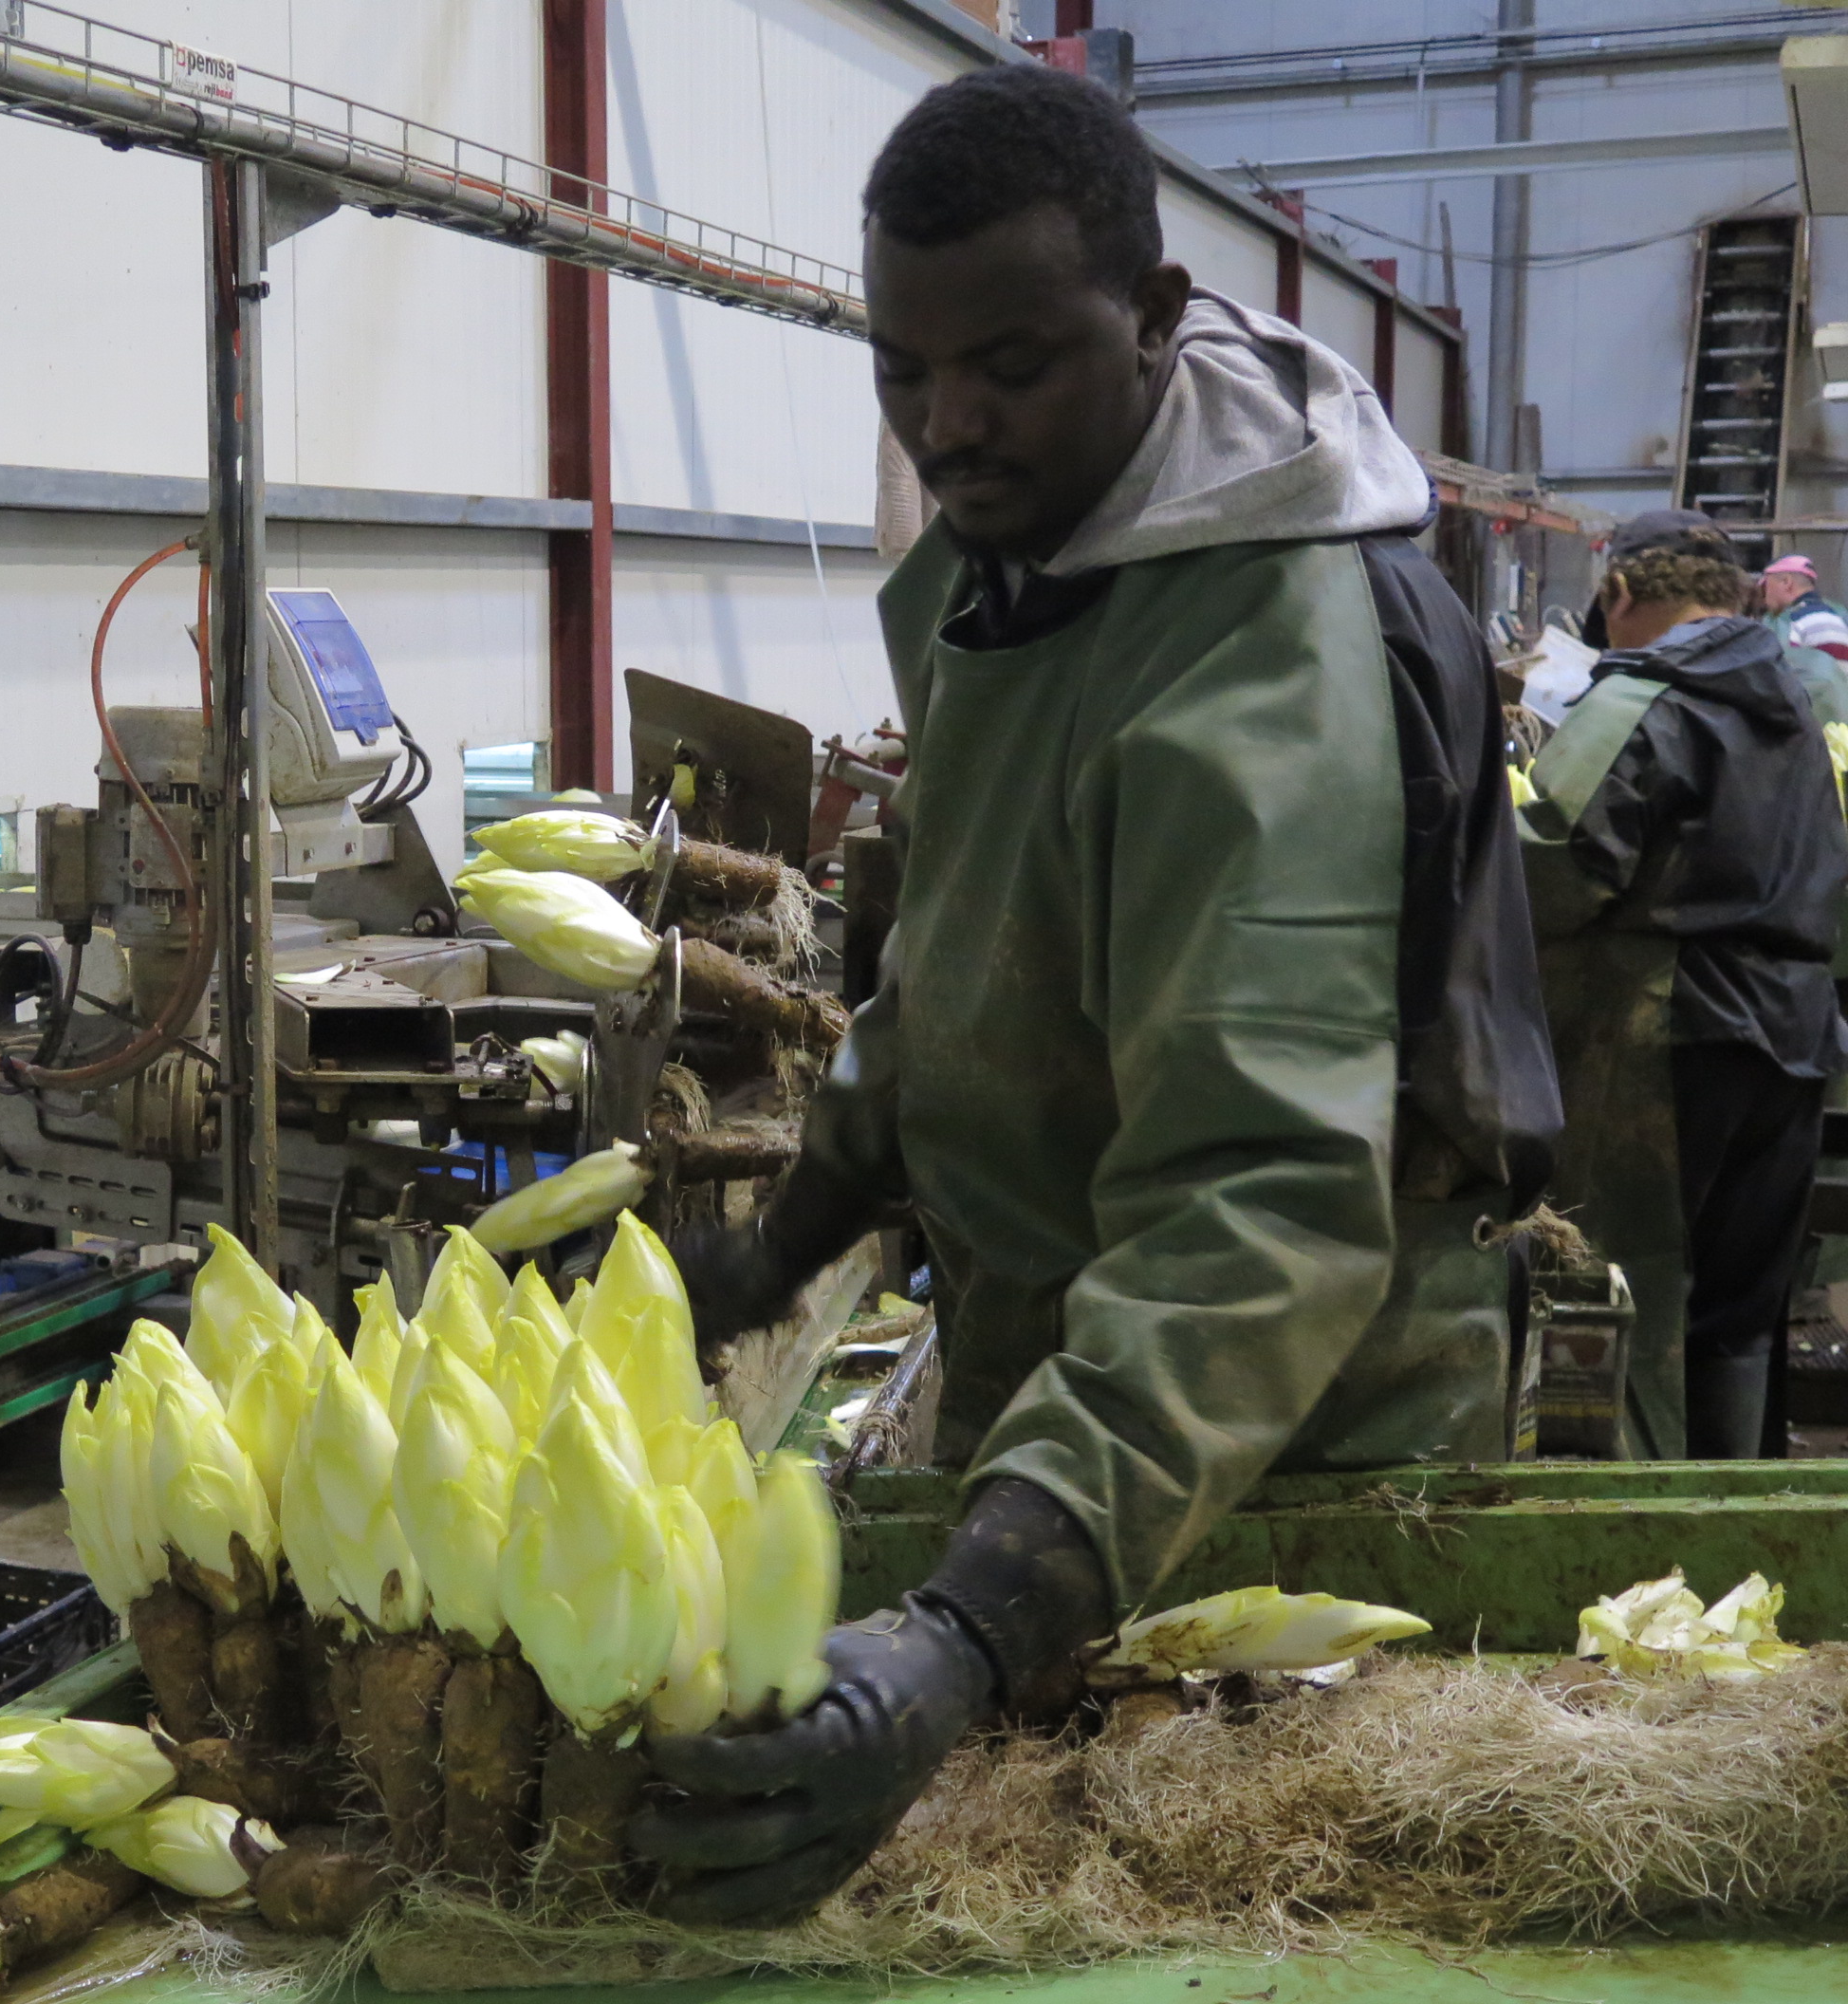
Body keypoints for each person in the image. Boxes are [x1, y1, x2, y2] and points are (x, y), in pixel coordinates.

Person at [630, 64, 1560, 1925]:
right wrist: (796, 1226)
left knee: (1262, 1918)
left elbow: (1256, 1213)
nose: (948, 422)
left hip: (1287, 1428)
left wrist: (962, 1635)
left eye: (1012, 363)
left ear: (1148, 319)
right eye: (905, 370)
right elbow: (952, 954)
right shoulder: (1018, 567)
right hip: (1074, 1405)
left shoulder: (1266, 656)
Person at [1520, 512, 1848, 1459]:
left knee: (1616, 1296)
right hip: (1791, 1034)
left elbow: (1554, 856)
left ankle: (1621, 1550)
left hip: (1666, 1038)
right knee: (1737, 1317)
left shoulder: (1642, 699)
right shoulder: (1789, 704)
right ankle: (1728, 1544)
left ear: (1618, 594)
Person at [1759, 553, 1848, 664]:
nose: (1764, 598)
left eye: (1765, 586)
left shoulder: (1793, 621)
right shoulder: (1838, 615)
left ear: (1786, 582)